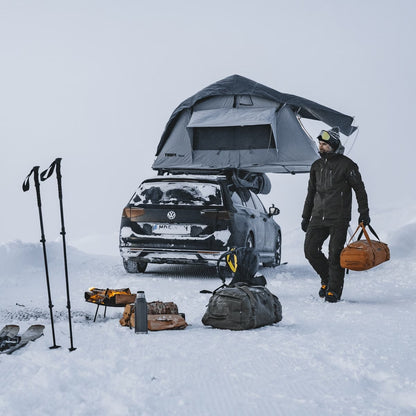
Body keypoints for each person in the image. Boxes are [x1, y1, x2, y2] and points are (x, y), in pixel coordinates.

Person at [301, 127, 370, 302]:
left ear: (334, 145)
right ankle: (327, 279)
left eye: (324, 144)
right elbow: (311, 193)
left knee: (335, 254)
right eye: (320, 144)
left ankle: (334, 290)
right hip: (317, 216)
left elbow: (360, 190)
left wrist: (364, 213)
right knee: (310, 250)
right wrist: (305, 216)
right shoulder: (316, 166)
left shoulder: (348, 165)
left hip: (338, 218)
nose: (321, 147)